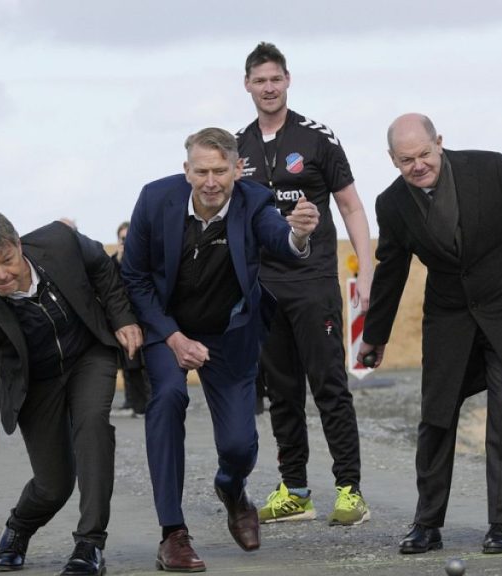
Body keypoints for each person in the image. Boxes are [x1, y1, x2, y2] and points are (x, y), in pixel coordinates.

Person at [358, 113, 502, 555]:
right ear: (391, 159)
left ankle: (501, 523)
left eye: (423, 154)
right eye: (405, 160)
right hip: (450, 315)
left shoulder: (491, 168)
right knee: (436, 416)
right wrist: (375, 336)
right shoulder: (392, 203)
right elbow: (392, 272)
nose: (417, 165)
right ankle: (427, 523)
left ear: (439, 142)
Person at [121, 127, 319, 572]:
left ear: (237, 169)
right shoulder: (155, 200)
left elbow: (279, 239)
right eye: (201, 171)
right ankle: (173, 533)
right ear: (186, 170)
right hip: (167, 331)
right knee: (168, 398)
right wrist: (172, 337)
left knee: (238, 445)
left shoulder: (256, 202)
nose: (211, 182)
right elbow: (133, 277)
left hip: (229, 334)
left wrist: (299, 235)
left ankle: (232, 489)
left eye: (220, 171)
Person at [0, 208, 143, 576]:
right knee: (54, 485)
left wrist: (122, 317)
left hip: (89, 353)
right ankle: (19, 527)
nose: (2, 275)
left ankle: (89, 544)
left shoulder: (60, 240)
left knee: (92, 427)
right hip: (36, 382)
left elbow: (102, 266)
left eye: (7, 261)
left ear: (17, 244)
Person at [235, 41, 373, 526]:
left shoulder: (317, 137)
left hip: (313, 282)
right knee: (282, 390)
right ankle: (295, 490)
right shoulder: (239, 147)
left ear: (288, 80)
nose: (268, 88)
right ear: (247, 86)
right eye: (260, 80)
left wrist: (366, 269)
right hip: (264, 287)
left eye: (276, 79)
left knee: (329, 385)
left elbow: (351, 206)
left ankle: (350, 491)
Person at [111, 221, 150, 417]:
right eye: (123, 239)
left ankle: (152, 404)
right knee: (131, 364)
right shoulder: (113, 263)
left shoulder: (145, 258)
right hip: (126, 320)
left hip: (146, 319)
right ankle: (137, 405)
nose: (126, 243)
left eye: (129, 238)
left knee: (150, 364)